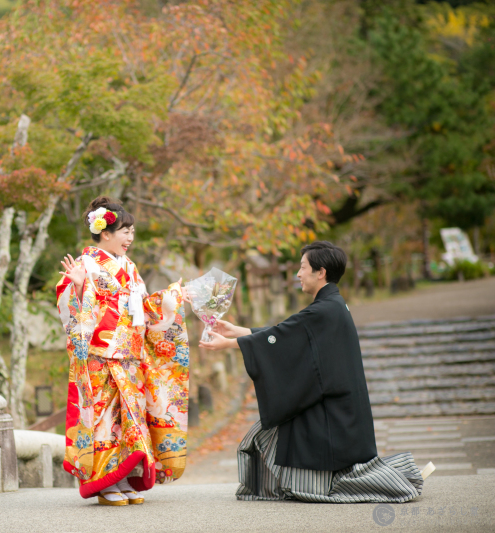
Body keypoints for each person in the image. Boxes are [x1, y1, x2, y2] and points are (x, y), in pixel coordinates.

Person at [200, 241, 431, 503]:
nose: (298, 274)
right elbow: (284, 334)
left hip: (332, 411)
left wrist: (230, 343)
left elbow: (284, 336)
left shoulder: (323, 310)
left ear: (320, 272)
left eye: (302, 267)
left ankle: (392, 481)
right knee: (269, 434)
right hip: (340, 406)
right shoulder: (332, 305)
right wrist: (238, 331)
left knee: (281, 445)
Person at [57, 197, 190, 506]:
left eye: (132, 232)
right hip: (99, 355)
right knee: (104, 419)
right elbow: (69, 309)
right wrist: (77, 288)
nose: (130, 238)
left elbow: (142, 308)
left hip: (129, 355)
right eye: (126, 231)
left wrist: (170, 298)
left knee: (129, 418)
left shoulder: (129, 267)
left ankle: (124, 477)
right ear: (106, 233)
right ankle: (103, 483)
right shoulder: (85, 265)